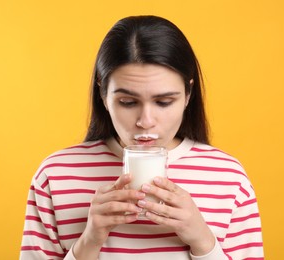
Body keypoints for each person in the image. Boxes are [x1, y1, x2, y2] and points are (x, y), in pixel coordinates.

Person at [20, 15, 264, 260]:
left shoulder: (228, 177)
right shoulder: (55, 175)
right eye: (127, 102)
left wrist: (202, 240)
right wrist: (89, 241)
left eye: (164, 102)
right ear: (103, 95)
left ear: (188, 95)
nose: (145, 121)